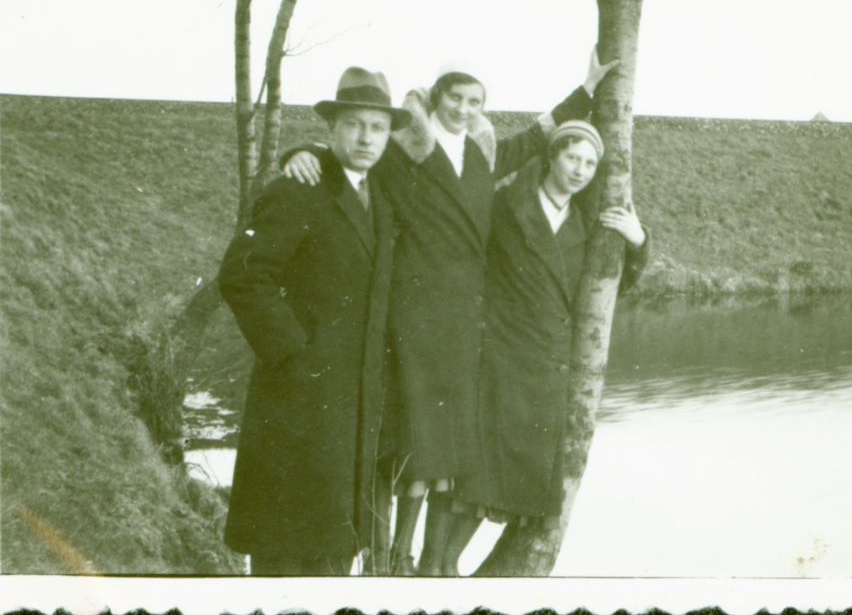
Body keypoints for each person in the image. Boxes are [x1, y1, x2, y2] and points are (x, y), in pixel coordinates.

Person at [281, 51, 617, 575]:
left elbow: (536, 138)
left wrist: (586, 91)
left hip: (463, 319)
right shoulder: (405, 148)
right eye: (455, 98)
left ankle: (424, 560)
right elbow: (355, 157)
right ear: (437, 97)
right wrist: (302, 152)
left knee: (445, 446)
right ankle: (387, 556)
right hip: (413, 313)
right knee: (407, 438)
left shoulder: (482, 153)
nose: (463, 109)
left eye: (474, 101)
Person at [217, 68, 408, 576]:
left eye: (378, 127)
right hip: (297, 402)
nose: (366, 138)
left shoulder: (380, 197)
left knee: (333, 548)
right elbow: (242, 275)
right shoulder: (299, 188)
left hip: (353, 405)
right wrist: (293, 353)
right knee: (284, 547)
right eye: (354, 124)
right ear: (331, 129)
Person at [437, 120, 649, 575]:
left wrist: (638, 241)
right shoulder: (507, 204)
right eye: (572, 157)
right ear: (552, 157)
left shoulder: (586, 223)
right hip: (496, 354)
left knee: (509, 475)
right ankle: (438, 565)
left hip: (544, 364)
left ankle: (444, 567)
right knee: (474, 473)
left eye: (589, 163)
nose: (580, 170)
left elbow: (608, 289)